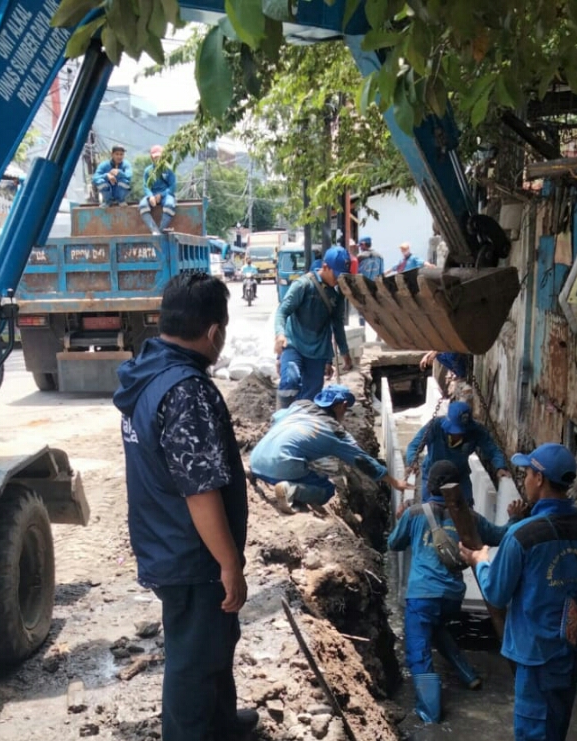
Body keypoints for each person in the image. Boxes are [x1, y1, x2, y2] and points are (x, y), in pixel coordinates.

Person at [113, 272, 258, 741]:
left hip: (167, 541)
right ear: (213, 332)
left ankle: (221, 723)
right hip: (192, 554)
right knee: (193, 663)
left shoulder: (148, 375)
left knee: (213, 643)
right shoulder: (186, 392)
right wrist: (228, 562)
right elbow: (199, 490)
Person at [461, 443, 577, 741]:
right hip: (571, 653)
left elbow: (496, 593)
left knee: (533, 732)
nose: (525, 481)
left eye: (527, 473)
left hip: (535, 656)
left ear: (540, 479)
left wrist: (480, 562)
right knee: (556, 730)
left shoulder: (523, 535)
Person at [389, 460, 524, 724]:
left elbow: (393, 543)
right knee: (436, 627)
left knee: (417, 651)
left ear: (429, 484)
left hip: (422, 595)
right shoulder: (469, 517)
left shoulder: (415, 513)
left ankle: (430, 714)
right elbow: (501, 536)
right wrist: (515, 518)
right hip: (452, 597)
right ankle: (468, 675)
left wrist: (400, 518)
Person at [250, 384, 411, 513]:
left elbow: (276, 417)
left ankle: (258, 473)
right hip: (282, 465)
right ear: (343, 405)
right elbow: (362, 460)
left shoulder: (300, 405)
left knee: (298, 466)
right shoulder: (335, 431)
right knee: (326, 488)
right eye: (346, 410)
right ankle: (291, 490)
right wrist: (394, 482)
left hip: (256, 460)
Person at [274, 247, 354, 409]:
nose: (337, 280)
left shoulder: (336, 296)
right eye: (335, 275)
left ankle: (300, 424)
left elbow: (337, 325)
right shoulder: (303, 285)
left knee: (311, 395)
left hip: (317, 352)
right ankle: (282, 419)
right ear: (325, 267)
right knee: (290, 380)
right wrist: (279, 335)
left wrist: (344, 353)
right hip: (294, 344)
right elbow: (282, 311)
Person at [405, 400, 510, 506]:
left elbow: (492, 449)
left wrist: (500, 466)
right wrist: (412, 461)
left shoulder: (476, 431)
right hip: (433, 474)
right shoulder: (435, 426)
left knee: (465, 508)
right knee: (430, 509)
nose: (458, 435)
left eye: (461, 432)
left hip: (460, 475)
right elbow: (414, 445)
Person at [140, 144, 178, 234]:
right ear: (152, 158)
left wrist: (162, 195)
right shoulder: (148, 171)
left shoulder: (168, 170)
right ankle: (154, 230)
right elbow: (146, 186)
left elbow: (173, 186)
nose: (157, 160)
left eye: (159, 157)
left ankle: (161, 229)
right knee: (142, 206)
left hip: (165, 195)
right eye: (155, 157)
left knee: (169, 205)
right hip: (152, 194)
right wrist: (150, 196)